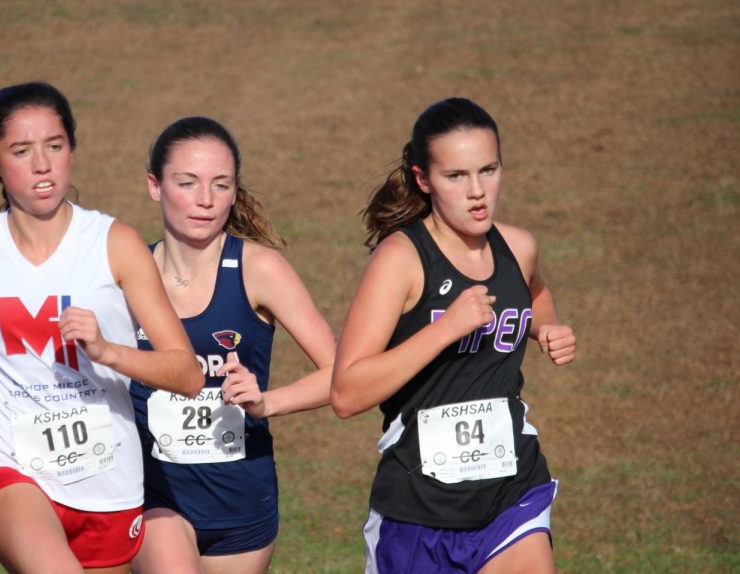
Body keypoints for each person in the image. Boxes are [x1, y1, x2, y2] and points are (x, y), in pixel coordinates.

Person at [0, 82, 204, 574]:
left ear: (71, 149)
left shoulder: (114, 245)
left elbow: (186, 374)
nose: (41, 165)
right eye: (21, 150)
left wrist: (108, 350)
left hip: (106, 476)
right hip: (7, 462)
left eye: (54, 146)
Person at [330, 97, 576, 574]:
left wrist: (546, 327)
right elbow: (346, 392)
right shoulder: (400, 261)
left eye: (489, 170)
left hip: (511, 492)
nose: (478, 191)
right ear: (424, 179)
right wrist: (444, 330)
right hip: (418, 509)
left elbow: (535, 292)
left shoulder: (518, 247)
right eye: (456, 176)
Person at [129, 117, 336, 574]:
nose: (205, 200)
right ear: (155, 185)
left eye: (220, 185)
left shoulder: (259, 269)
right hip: (154, 496)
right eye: (187, 183)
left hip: (241, 501)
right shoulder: (126, 273)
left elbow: (343, 375)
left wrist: (266, 403)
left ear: (235, 192)